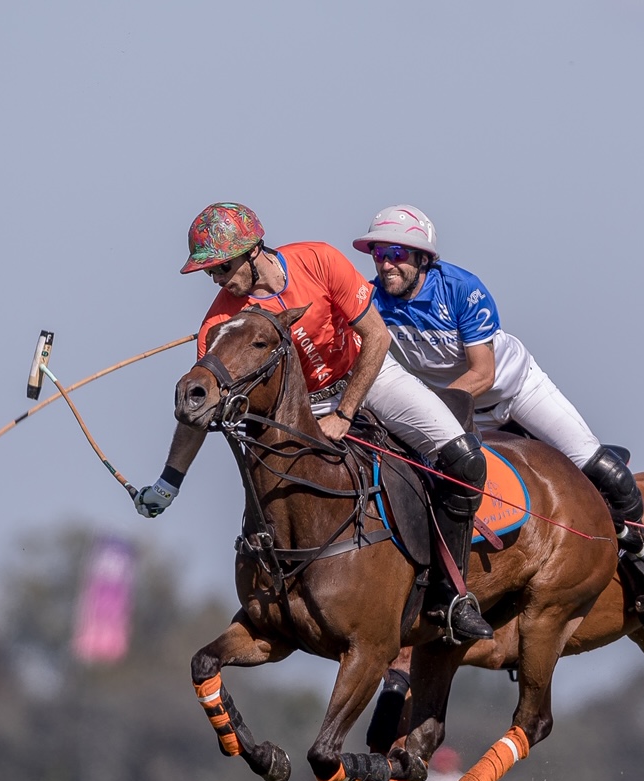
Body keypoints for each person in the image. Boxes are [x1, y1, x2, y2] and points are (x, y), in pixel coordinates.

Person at [135, 202, 493, 643]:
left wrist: (346, 413)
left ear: (251, 251)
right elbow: (198, 406)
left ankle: (449, 597)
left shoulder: (319, 260)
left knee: (464, 459)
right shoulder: (221, 320)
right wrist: (169, 483)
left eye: (222, 267)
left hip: (367, 375)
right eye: (210, 273)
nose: (218, 280)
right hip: (302, 409)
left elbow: (377, 337)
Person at [352, 205, 644, 638]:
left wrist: (429, 410)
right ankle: (452, 596)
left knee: (604, 473)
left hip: (515, 392)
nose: (386, 263)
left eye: (396, 252)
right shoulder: (372, 302)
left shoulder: (462, 289)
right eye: (378, 253)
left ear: (424, 258)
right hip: (455, 409)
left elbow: (482, 373)